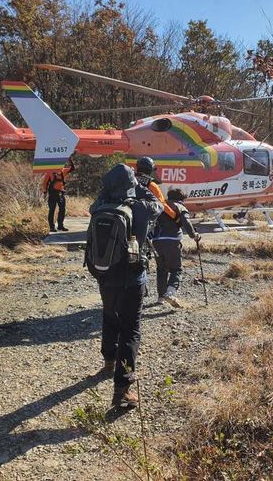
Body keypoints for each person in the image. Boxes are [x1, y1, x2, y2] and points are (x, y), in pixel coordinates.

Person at [87, 163, 162, 408]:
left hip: (105, 275)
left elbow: (93, 205)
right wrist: (140, 187)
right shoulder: (141, 207)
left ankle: (109, 361)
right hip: (132, 277)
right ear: (132, 185)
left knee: (109, 317)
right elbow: (158, 206)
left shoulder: (100, 205)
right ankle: (122, 389)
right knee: (131, 329)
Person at [152, 188, 200, 307]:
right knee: (176, 269)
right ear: (181, 198)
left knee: (161, 269)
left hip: (156, 241)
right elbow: (186, 222)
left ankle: (161, 297)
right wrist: (194, 235)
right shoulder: (180, 206)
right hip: (172, 240)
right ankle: (170, 292)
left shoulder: (160, 205)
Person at [41, 157, 74, 233]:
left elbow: (72, 168)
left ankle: (60, 226)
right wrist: (45, 193)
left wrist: (69, 159)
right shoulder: (49, 172)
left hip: (60, 194)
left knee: (62, 210)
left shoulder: (63, 171)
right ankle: (52, 227)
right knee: (52, 210)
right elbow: (44, 183)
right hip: (52, 194)